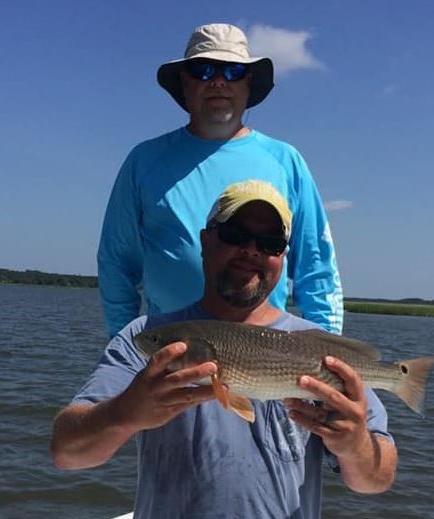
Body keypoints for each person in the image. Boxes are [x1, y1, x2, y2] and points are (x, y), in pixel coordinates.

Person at [54, 180, 396, 518]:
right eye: (235, 235)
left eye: (270, 242)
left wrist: (356, 447)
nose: (251, 250)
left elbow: (377, 480)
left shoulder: (319, 348)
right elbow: (67, 452)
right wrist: (123, 412)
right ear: (205, 240)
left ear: (283, 257)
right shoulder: (145, 336)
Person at [98, 23, 344, 339]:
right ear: (184, 83)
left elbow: (317, 268)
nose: (217, 81)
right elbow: (115, 263)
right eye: (202, 70)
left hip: (265, 361)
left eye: (233, 71)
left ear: (248, 82)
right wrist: (126, 347)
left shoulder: (287, 161)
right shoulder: (143, 160)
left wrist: (325, 357)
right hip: (169, 353)